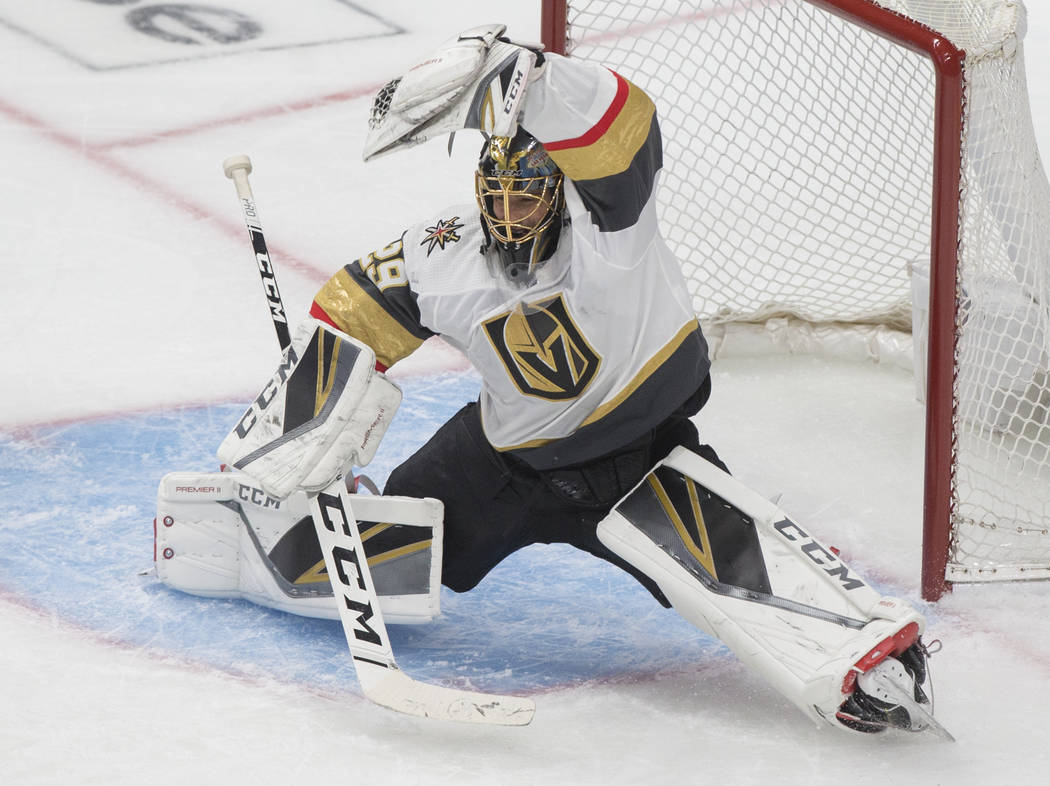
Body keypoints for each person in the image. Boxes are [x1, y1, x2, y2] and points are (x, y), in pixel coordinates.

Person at [307, 44, 723, 607]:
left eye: (524, 200)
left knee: (729, 587)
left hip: (638, 459)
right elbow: (349, 314)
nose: (508, 217)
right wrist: (314, 418)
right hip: (510, 465)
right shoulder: (445, 250)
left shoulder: (609, 230)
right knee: (394, 541)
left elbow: (626, 127)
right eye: (495, 199)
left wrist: (534, 79)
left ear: (557, 195)